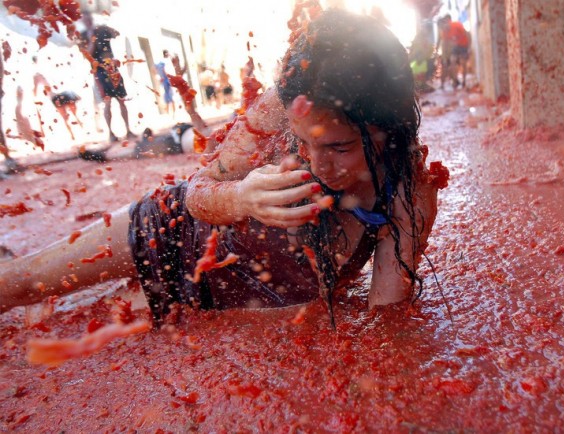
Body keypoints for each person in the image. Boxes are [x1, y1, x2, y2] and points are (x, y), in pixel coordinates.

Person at [0, 10, 447, 326]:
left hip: (219, 306)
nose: (317, 164)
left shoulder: (408, 197)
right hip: (169, 233)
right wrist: (241, 196)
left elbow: (385, 324)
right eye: (301, 142)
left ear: (389, 128)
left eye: (339, 146)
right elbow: (199, 189)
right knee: (22, 286)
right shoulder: (279, 105)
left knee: (81, 324)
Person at [80, 10, 135, 142]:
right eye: (85, 19)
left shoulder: (101, 30)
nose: (88, 21)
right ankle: (111, 134)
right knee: (107, 102)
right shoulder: (83, 36)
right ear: (83, 21)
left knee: (122, 100)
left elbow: (117, 34)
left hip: (112, 68)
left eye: (89, 19)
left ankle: (128, 130)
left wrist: (108, 27)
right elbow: (86, 54)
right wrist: (92, 39)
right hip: (99, 72)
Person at [32, 56, 83, 141]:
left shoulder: (36, 74)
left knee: (64, 117)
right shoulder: (47, 66)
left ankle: (72, 135)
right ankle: (81, 129)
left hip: (54, 96)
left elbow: (35, 90)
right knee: (75, 114)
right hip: (63, 91)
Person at [437, 14, 471, 90]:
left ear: (446, 23)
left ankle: (464, 81)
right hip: (456, 46)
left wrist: (469, 47)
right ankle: (455, 80)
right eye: (442, 29)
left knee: (463, 63)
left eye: (444, 27)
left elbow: (468, 34)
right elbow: (445, 43)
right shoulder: (444, 33)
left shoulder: (456, 25)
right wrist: (444, 57)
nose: (444, 30)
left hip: (464, 45)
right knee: (452, 61)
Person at [154, 50, 176, 116]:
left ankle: (172, 113)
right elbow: (160, 69)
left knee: (170, 96)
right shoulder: (163, 62)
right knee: (169, 97)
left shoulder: (168, 60)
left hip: (168, 80)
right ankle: (170, 113)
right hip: (167, 80)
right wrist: (159, 77)